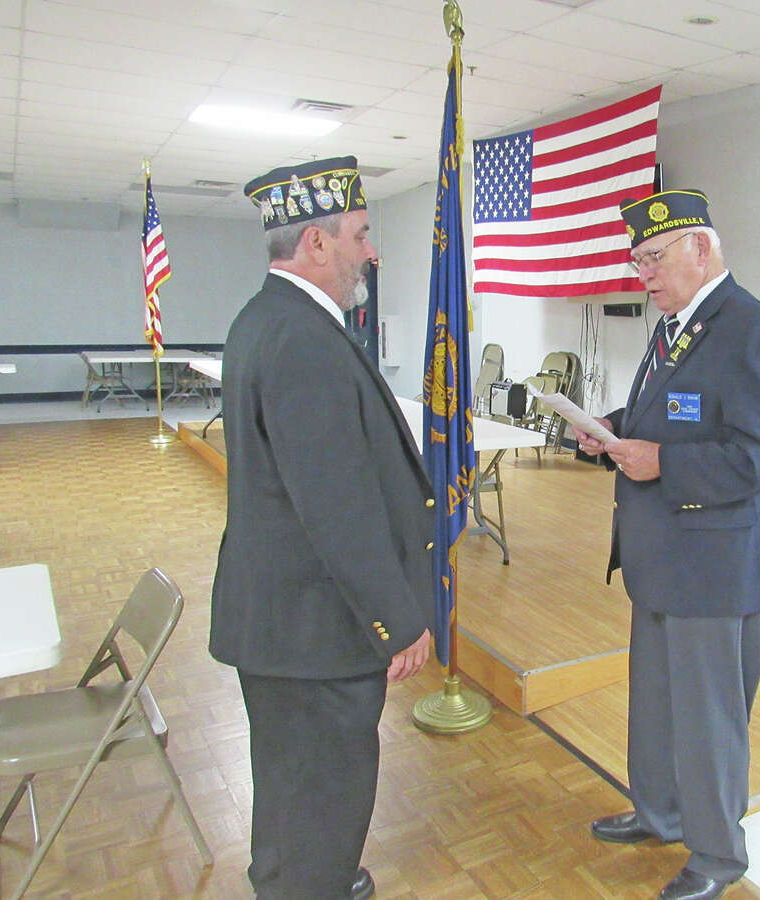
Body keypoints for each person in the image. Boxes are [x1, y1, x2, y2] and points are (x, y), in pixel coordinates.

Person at [210, 156, 435, 900]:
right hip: (314, 628)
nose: (371, 250)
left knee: (290, 787)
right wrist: (397, 621)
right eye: (362, 234)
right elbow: (335, 506)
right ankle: (311, 880)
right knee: (326, 794)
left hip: (280, 619)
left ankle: (293, 875)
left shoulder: (263, 318)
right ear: (316, 242)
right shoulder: (303, 337)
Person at [574, 189, 760, 900]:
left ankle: (716, 857)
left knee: (709, 722)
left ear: (701, 249)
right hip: (663, 557)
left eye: (653, 256)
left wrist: (665, 463)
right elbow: (673, 416)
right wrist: (608, 429)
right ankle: (660, 812)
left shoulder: (752, 329)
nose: (641, 272)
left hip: (718, 566)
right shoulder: (674, 326)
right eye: (636, 258)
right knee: (657, 702)